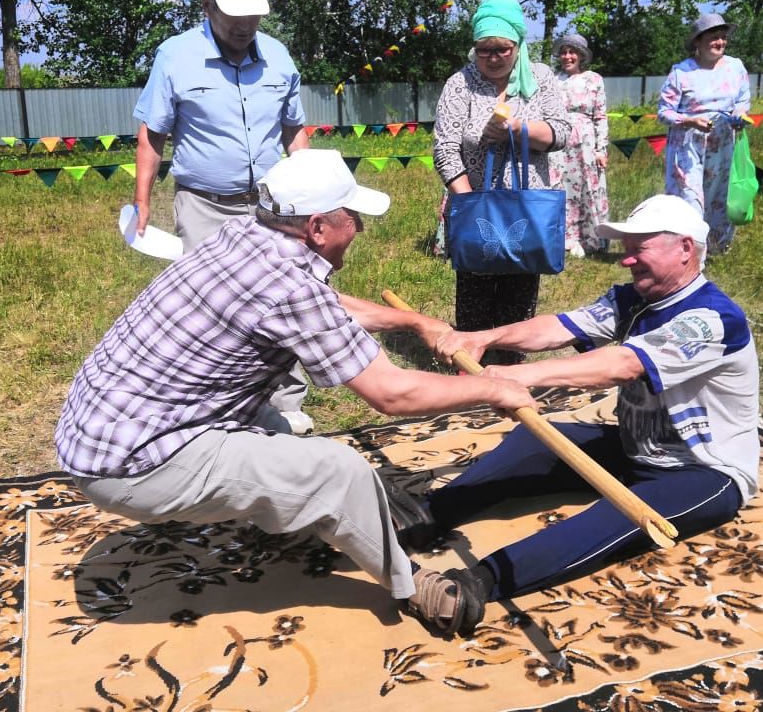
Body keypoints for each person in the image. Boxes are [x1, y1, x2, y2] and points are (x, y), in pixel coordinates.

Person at [55, 149, 538, 637]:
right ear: (317, 228)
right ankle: (413, 585)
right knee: (336, 469)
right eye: (352, 218)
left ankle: (312, 515)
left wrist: (413, 321)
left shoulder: (242, 235)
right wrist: (492, 389)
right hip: (131, 468)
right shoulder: (289, 288)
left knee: (280, 431)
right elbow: (392, 394)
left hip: (100, 432)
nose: (362, 230)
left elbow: (321, 301)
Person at [386, 194, 760, 615]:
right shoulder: (633, 299)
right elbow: (558, 327)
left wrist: (512, 377)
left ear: (685, 249)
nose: (627, 259)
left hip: (705, 470)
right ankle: (425, 516)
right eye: (627, 248)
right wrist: (483, 338)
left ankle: (475, 585)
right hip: (637, 448)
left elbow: (620, 365)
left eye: (640, 248)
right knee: (537, 440)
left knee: (614, 519)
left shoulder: (712, 319)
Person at [131, 0, 313, 432]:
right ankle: (217, 406)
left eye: (253, 14)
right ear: (206, 4)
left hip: (274, 206)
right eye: (234, 14)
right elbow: (152, 135)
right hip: (204, 204)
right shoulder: (174, 56)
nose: (244, 25)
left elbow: (295, 130)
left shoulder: (278, 56)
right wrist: (143, 200)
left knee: (287, 297)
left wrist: (310, 191)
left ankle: (286, 405)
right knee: (212, 308)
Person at [432, 0, 572, 365]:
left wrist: (519, 129)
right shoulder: (459, 84)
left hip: (526, 211)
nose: (493, 58)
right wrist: (466, 204)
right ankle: (472, 374)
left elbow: (561, 132)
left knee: (518, 300)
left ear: (518, 44)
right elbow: (445, 150)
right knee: (474, 299)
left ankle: (510, 372)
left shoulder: (540, 77)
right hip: (474, 207)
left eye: (502, 49)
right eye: (484, 50)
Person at [658, 13, 752, 254]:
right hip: (689, 145)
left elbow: (742, 100)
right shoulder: (681, 72)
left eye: (723, 37)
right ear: (698, 42)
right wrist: (689, 120)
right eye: (714, 37)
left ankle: (718, 247)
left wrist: (740, 114)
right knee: (691, 198)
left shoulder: (736, 67)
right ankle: (688, 252)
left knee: (719, 195)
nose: (720, 42)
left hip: (723, 143)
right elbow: (664, 112)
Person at [552, 33, 609, 258]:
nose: (567, 56)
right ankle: (563, 237)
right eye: (564, 52)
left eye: (572, 52)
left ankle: (592, 238)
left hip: (585, 142)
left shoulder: (594, 79)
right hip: (559, 141)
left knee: (588, 188)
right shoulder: (554, 79)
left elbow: (601, 116)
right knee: (561, 187)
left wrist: (601, 149)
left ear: (581, 55)